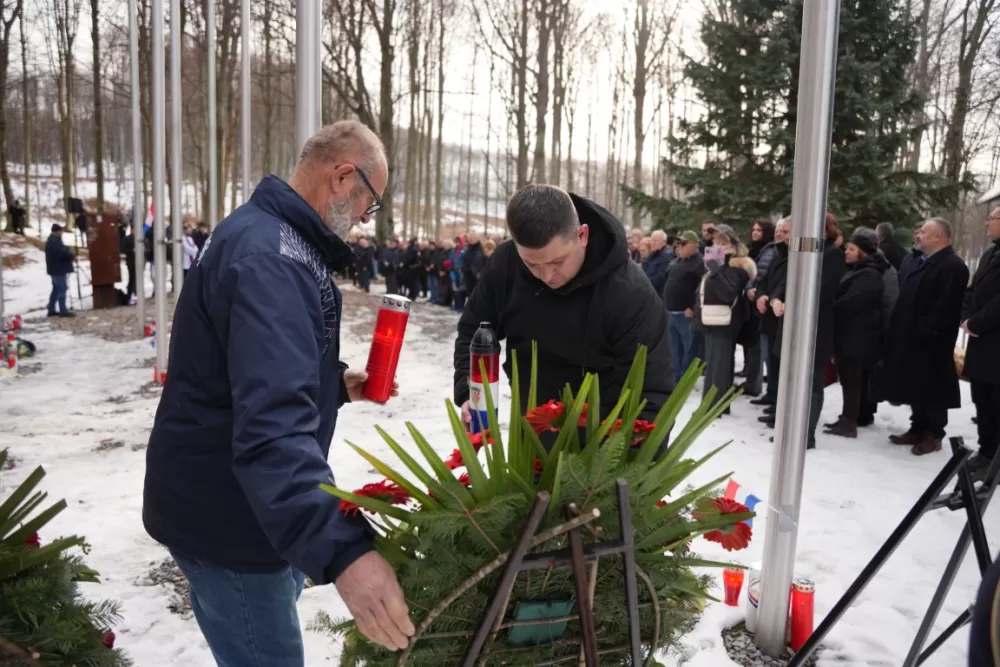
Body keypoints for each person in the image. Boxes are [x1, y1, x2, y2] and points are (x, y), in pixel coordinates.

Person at [142, 121, 414, 666]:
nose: (365, 220)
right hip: (233, 522)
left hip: (246, 504)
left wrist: (332, 384)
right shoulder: (272, 258)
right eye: (370, 202)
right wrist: (343, 551)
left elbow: (245, 369)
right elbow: (272, 427)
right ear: (342, 176)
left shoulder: (266, 233)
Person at [453, 184, 674, 427]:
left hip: (604, 434)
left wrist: (628, 456)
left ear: (582, 236)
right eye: (532, 265)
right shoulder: (507, 262)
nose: (547, 276)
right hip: (532, 424)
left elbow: (653, 388)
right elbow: (474, 328)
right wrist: (469, 392)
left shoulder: (629, 292)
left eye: (557, 261)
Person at [884, 218, 970, 456]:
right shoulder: (917, 261)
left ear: (938, 238)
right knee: (915, 385)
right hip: (909, 336)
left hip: (932, 341)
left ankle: (933, 434)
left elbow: (946, 306)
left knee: (933, 388)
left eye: (924, 232)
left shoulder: (953, 266)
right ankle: (917, 427)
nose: (918, 235)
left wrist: (926, 329)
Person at [826, 229, 888, 438]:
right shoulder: (859, 270)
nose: (847, 251)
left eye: (852, 249)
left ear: (863, 252)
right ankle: (849, 416)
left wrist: (831, 306)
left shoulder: (869, 274)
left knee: (852, 380)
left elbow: (851, 303)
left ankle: (849, 421)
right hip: (851, 334)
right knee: (851, 379)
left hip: (857, 337)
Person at [693, 224, 756, 412]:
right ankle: (714, 404)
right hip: (711, 318)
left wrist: (715, 272)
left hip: (726, 320)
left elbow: (727, 292)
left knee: (719, 364)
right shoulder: (719, 263)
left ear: (733, 244)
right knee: (713, 363)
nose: (718, 245)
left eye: (723, 242)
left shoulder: (739, 265)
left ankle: (713, 406)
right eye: (716, 242)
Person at [961, 206, 1000, 478]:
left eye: (992, 218)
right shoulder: (990, 253)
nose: (987, 222)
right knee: (981, 401)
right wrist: (965, 317)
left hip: (995, 343)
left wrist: (975, 323)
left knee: (996, 404)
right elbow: (972, 290)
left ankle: (993, 461)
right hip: (980, 343)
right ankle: (985, 452)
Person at [661, 230, 705, 382]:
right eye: (678, 244)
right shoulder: (677, 261)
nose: (679, 247)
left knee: (689, 349)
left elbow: (702, 288)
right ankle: (676, 378)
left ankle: (687, 380)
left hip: (686, 314)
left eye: (684, 243)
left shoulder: (700, 263)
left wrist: (693, 307)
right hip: (671, 311)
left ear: (694, 245)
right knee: (674, 349)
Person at [44, 223, 76, 318]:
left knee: (56, 289)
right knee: (62, 288)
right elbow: (61, 253)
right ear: (57, 231)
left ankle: (51, 309)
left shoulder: (53, 241)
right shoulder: (54, 242)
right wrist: (71, 255)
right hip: (58, 269)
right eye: (60, 231)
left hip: (55, 268)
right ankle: (63, 310)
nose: (62, 232)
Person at [642, 229, 673, 295]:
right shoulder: (652, 254)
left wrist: (645, 282)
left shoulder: (667, 255)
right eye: (652, 240)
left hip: (660, 294)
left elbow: (662, 276)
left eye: (656, 241)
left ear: (664, 242)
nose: (653, 243)